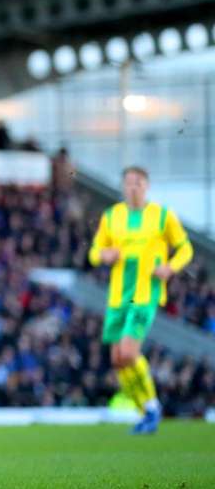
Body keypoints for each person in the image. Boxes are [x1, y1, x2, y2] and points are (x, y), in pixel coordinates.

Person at [88, 165, 192, 435]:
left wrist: (170, 268)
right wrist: (104, 255)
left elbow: (186, 248)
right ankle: (144, 410)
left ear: (147, 186)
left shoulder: (162, 216)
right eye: (129, 183)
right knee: (118, 360)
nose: (133, 187)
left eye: (138, 182)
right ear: (123, 186)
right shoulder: (111, 217)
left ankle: (153, 407)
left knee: (129, 352)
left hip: (144, 294)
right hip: (117, 297)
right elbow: (94, 252)